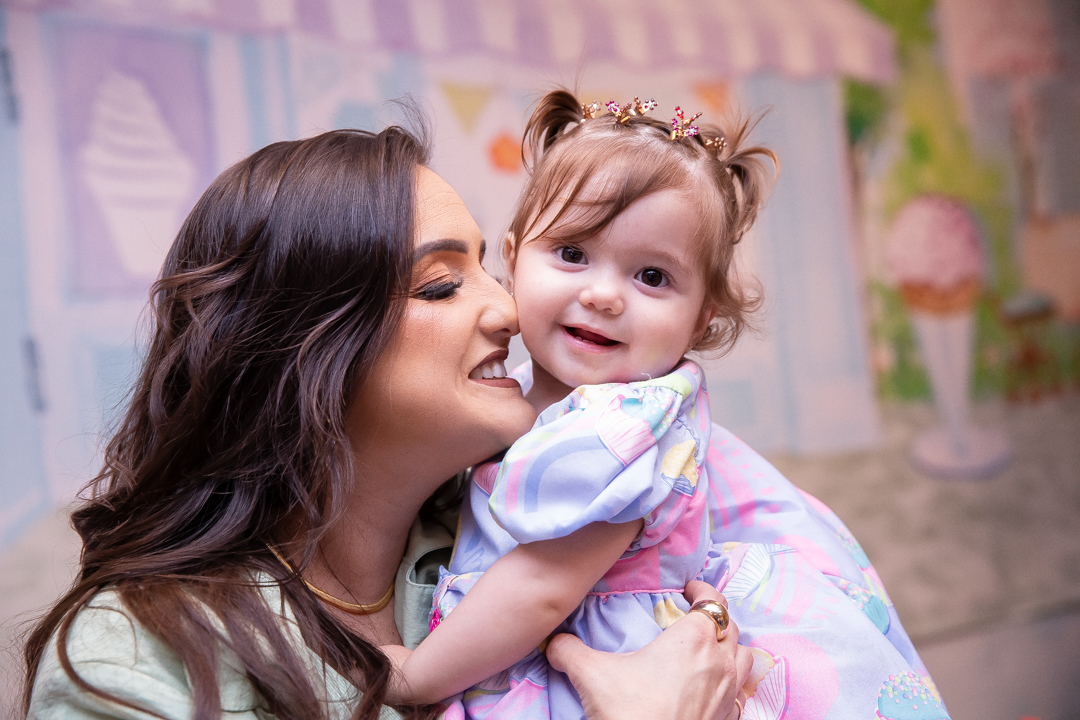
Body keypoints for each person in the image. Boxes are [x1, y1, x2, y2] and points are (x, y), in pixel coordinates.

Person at [22, 126, 751, 720]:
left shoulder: (514, 510)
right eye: (441, 286)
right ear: (308, 346)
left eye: (489, 270)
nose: (505, 312)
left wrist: (709, 628)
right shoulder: (134, 658)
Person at [383, 91, 951, 720]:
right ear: (515, 260)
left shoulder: (626, 430)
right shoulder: (508, 392)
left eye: (652, 277)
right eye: (572, 254)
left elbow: (542, 589)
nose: (603, 295)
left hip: (601, 668)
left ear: (701, 319)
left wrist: (416, 678)